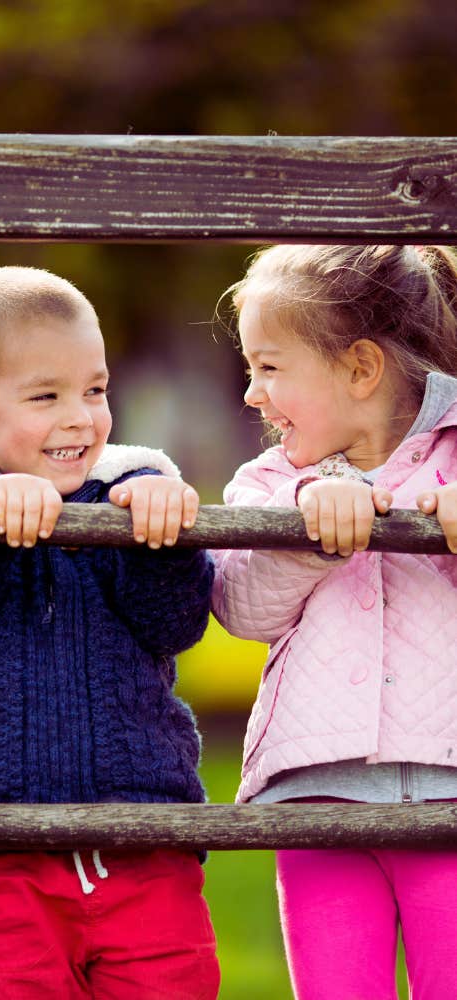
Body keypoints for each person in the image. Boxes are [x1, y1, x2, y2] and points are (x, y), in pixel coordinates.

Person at [0, 265, 220, 1000]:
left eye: (94, 391)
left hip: (141, 836)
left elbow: (178, 624)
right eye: (45, 396)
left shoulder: (130, 488)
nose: (80, 418)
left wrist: (160, 533)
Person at [212, 244, 457, 1000]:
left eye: (271, 367)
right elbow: (240, 608)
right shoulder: (270, 483)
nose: (253, 393)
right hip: (317, 798)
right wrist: (303, 532)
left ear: (359, 369)